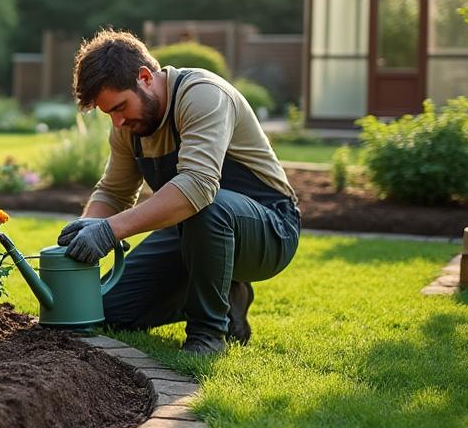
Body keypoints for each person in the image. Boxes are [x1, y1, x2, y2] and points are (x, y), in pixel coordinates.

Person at [57, 30, 301, 354]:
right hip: (194, 232)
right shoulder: (128, 129)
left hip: (269, 230)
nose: (117, 122)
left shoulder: (202, 95)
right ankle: (228, 295)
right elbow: (113, 193)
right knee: (106, 310)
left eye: (120, 107)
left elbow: (198, 187)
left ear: (144, 77)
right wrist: (86, 229)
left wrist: (110, 231)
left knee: (209, 207)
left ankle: (209, 334)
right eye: (109, 114)